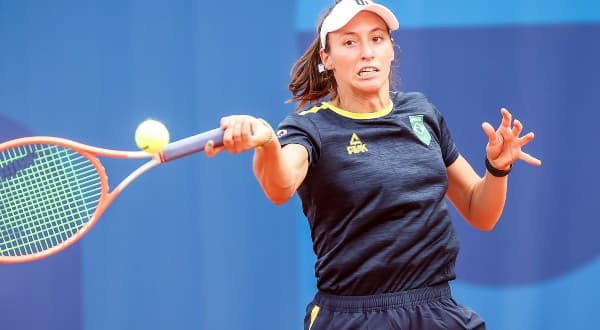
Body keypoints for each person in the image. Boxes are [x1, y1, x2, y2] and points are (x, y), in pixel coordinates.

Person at [205, 0, 542, 329]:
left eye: (376, 38)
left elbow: (478, 210)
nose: (366, 51)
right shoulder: (310, 127)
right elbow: (280, 185)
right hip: (354, 317)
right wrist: (266, 144)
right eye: (349, 42)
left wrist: (497, 168)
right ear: (328, 58)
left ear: (391, 49)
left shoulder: (421, 112)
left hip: (437, 310)